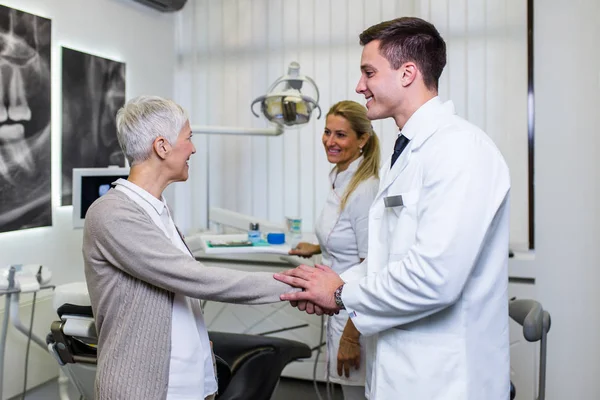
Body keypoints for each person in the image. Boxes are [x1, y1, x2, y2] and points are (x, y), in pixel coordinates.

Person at [274, 17, 511, 400]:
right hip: (399, 373)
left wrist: (340, 295)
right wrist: (330, 286)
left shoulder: (461, 151)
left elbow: (435, 277)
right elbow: (387, 259)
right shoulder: (403, 156)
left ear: (407, 73)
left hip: (446, 381)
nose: (359, 86)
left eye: (368, 72)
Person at [83, 95, 298, 400]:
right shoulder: (112, 213)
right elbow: (192, 278)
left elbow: (177, 301)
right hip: (141, 389)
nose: (193, 148)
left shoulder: (157, 210)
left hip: (188, 385)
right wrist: (295, 285)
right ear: (162, 146)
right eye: (189, 138)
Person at [288, 100, 380, 399]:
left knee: (355, 393)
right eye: (327, 132)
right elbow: (350, 236)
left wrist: (352, 336)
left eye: (340, 135)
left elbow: (373, 266)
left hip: (356, 316)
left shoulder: (365, 189)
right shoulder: (339, 177)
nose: (330, 141)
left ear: (362, 139)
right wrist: (317, 246)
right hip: (340, 305)